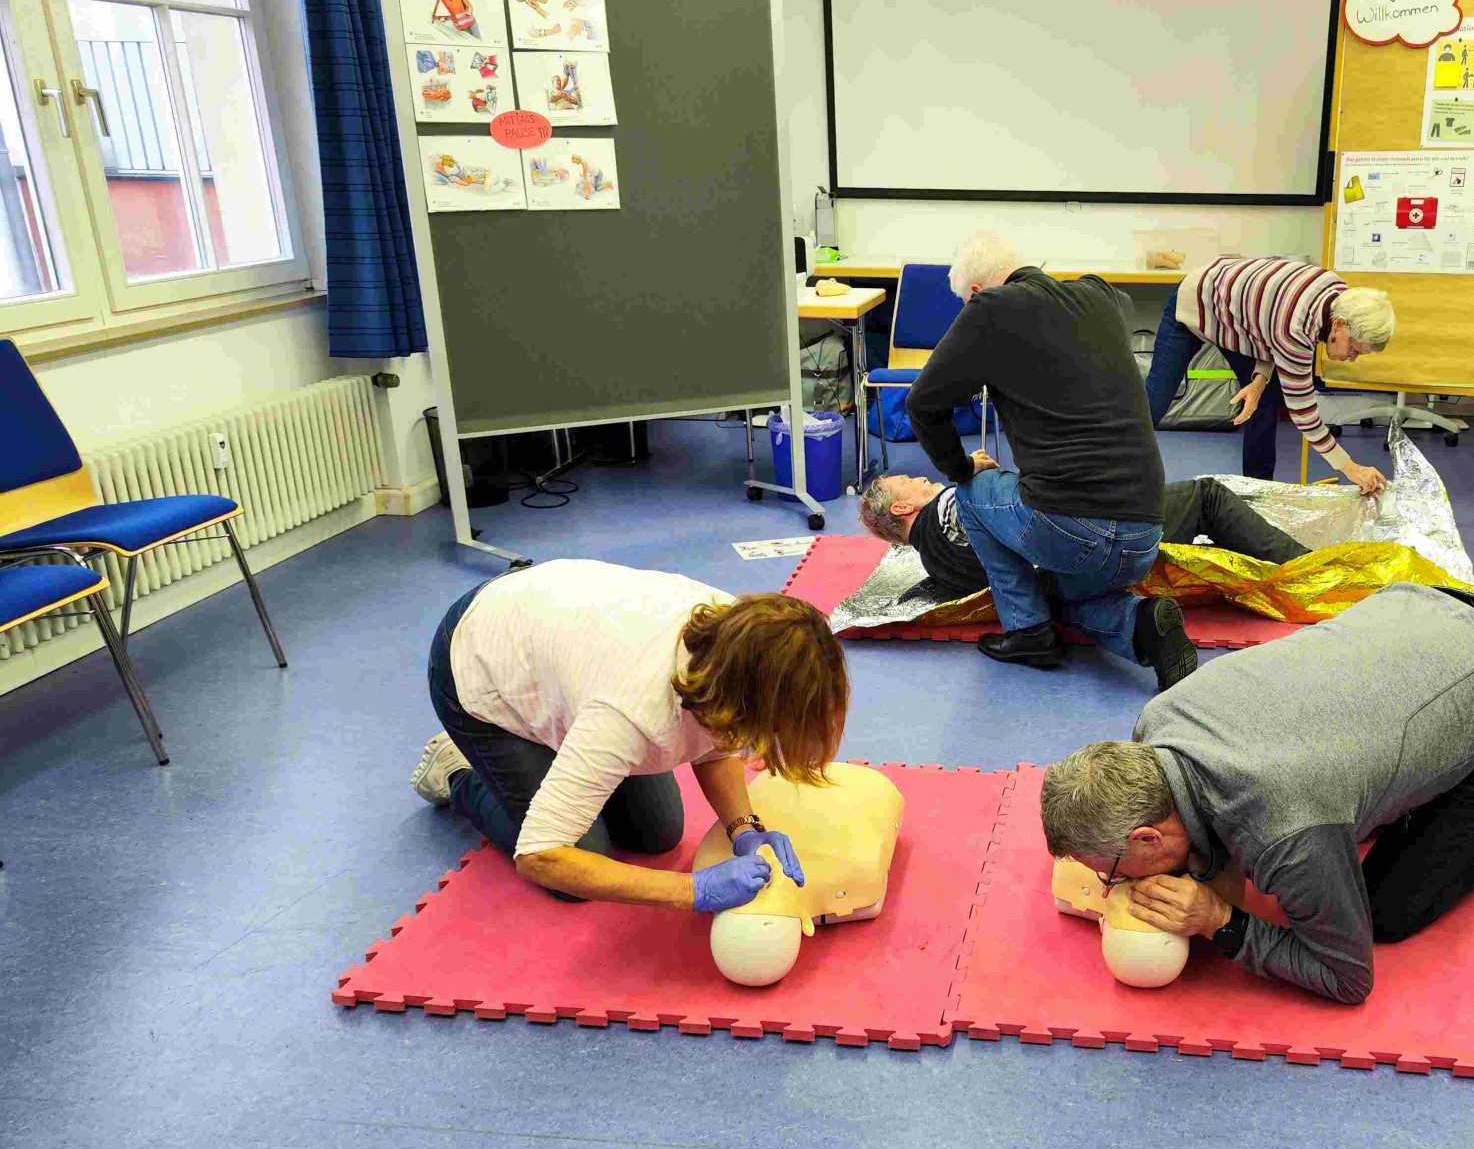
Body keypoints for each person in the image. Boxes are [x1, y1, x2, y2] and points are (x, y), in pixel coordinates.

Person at [1038, 585, 1474, 1003]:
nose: (1116, 884)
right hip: (1416, 611)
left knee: (1387, 911)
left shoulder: (1284, 829)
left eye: (1114, 872)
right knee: (1348, 808)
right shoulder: (1156, 720)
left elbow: (1348, 977)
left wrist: (1221, 921)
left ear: (1145, 836)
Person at [408, 559, 850, 910]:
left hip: (560, 635)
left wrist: (743, 827)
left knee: (656, 833)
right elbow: (540, 856)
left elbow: (719, 742)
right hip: (478, 661)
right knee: (578, 868)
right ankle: (457, 773)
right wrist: (693, 890)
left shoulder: (751, 643)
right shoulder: (630, 709)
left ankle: (562, 759)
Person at [905, 232, 1197, 688]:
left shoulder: (988, 309)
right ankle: (1142, 625)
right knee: (1055, 595)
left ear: (976, 292)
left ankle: (1027, 632)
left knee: (971, 491)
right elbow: (1103, 310)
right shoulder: (1100, 294)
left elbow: (923, 404)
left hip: (1074, 531)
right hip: (1144, 535)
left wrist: (960, 468)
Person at [857, 470, 1308, 599]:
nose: (921, 478)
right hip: (1090, 538)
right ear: (901, 507)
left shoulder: (935, 564)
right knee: (1206, 496)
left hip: (1068, 568)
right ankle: (1312, 569)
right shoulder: (954, 503)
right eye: (908, 482)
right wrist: (977, 475)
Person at [1144, 255, 1396, 486]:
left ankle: (1258, 490)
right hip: (1195, 300)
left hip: (1239, 314)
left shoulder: (1338, 296)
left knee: (1264, 398)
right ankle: (1120, 475)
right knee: (1154, 402)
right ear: (1339, 324)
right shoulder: (1296, 327)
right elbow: (1304, 414)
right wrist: (1351, 468)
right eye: (1353, 349)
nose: (1351, 359)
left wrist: (1259, 380)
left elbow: (1268, 330)